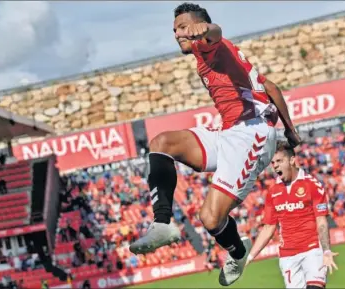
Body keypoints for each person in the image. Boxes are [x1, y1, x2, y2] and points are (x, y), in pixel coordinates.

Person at [129, 2, 301, 286]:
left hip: (252, 134)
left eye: (183, 27)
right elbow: (270, 87)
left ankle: (237, 252)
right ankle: (162, 225)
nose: (177, 34)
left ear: (198, 26)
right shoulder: (224, 53)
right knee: (162, 143)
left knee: (210, 219)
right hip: (230, 131)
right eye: (174, 30)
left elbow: (215, 34)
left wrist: (206, 30)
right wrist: (292, 132)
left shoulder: (210, 45)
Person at [245, 141, 339, 289]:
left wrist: (326, 250)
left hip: (312, 250)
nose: (275, 165)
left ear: (292, 160)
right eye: (273, 162)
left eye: (279, 161)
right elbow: (268, 228)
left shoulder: (312, 185)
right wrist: (249, 257)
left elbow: (321, 220)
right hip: (287, 256)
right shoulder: (272, 192)